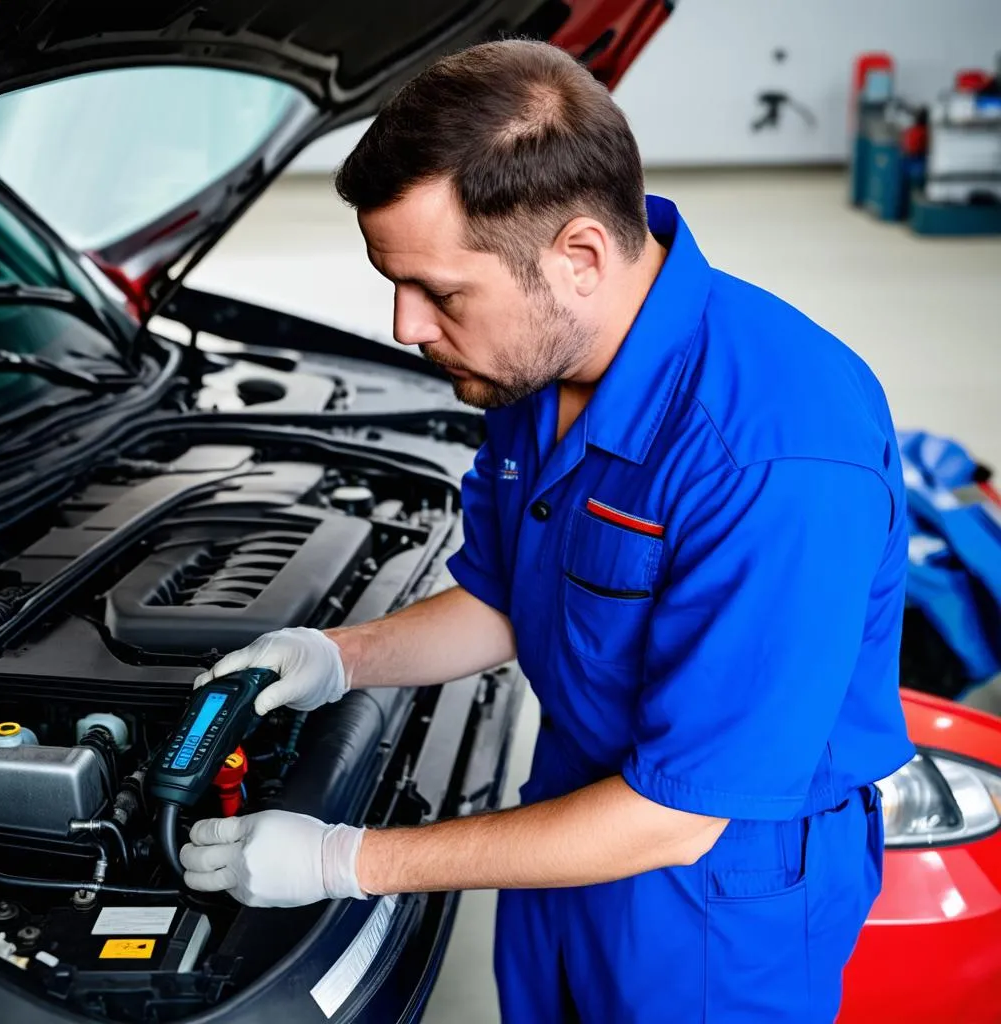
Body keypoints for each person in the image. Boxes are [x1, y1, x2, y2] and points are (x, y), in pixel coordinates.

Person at [181, 39, 915, 1022]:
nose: (405, 326)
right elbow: (506, 597)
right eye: (394, 282)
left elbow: (677, 816)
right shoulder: (531, 363)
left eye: (439, 291)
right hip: (568, 807)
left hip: (712, 894)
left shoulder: (776, 453)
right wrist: (337, 657)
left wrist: (347, 859)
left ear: (577, 257)